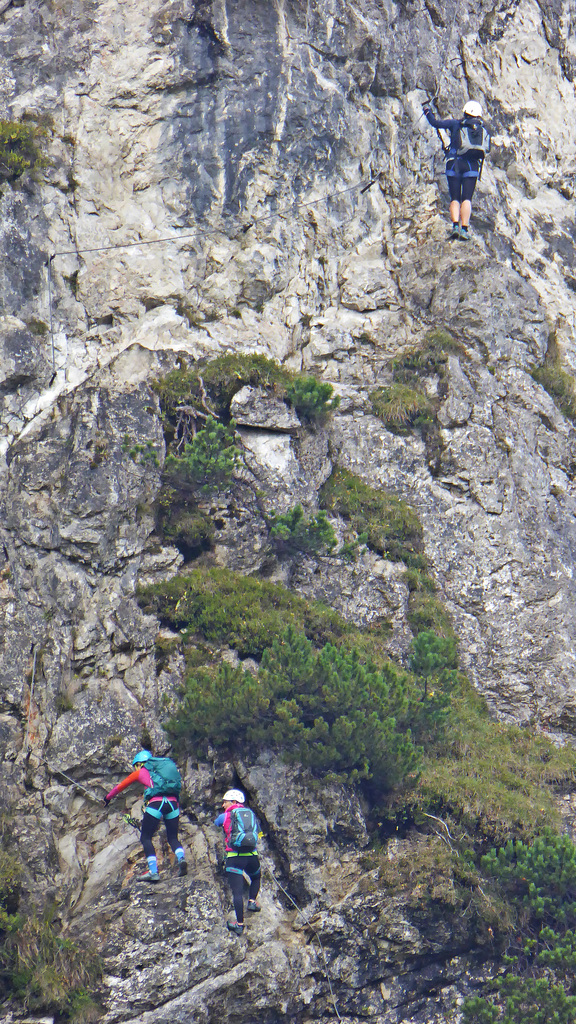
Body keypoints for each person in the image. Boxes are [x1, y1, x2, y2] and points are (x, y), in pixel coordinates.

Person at [104, 750, 187, 883]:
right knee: (172, 837)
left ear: (139, 764)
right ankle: (181, 859)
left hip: (156, 803)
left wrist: (107, 798)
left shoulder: (141, 772)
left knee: (146, 837)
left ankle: (153, 872)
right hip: (173, 804)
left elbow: (120, 786)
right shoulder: (163, 771)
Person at [423, 100, 490, 241]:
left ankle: (455, 226)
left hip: (454, 164)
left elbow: (435, 123)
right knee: (467, 198)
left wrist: (427, 110)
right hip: (472, 166)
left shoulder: (455, 124)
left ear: (465, 111)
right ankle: (464, 229)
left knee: (455, 197)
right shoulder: (483, 130)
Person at [214, 788, 261, 936]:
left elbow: (216, 823)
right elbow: (258, 832)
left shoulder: (226, 816)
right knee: (256, 877)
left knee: (237, 892)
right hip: (251, 855)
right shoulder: (251, 814)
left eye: (225, 802)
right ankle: (252, 901)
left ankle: (239, 925)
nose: (223, 805)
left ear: (234, 802)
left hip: (234, 857)